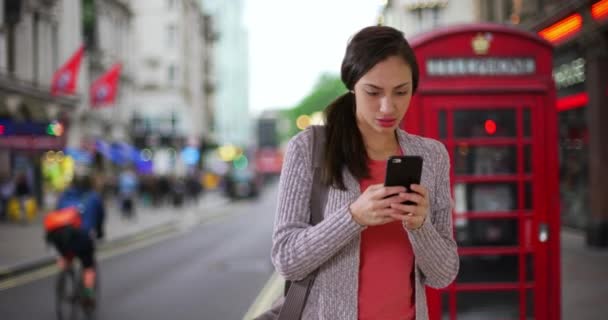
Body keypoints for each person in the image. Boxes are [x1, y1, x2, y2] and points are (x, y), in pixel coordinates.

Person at [271, 26, 458, 320]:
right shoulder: (308, 148)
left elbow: (443, 275)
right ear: (352, 86)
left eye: (401, 92)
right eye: (373, 92)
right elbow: (287, 259)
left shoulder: (432, 156)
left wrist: (421, 226)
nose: (388, 107)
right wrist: (353, 217)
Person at [45, 172, 105, 305]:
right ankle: (88, 293)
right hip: (82, 236)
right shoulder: (94, 197)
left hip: (59, 235)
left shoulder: (64, 195)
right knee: (88, 265)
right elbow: (100, 218)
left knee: (67, 254)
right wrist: (100, 234)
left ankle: (63, 271)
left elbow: (57, 213)